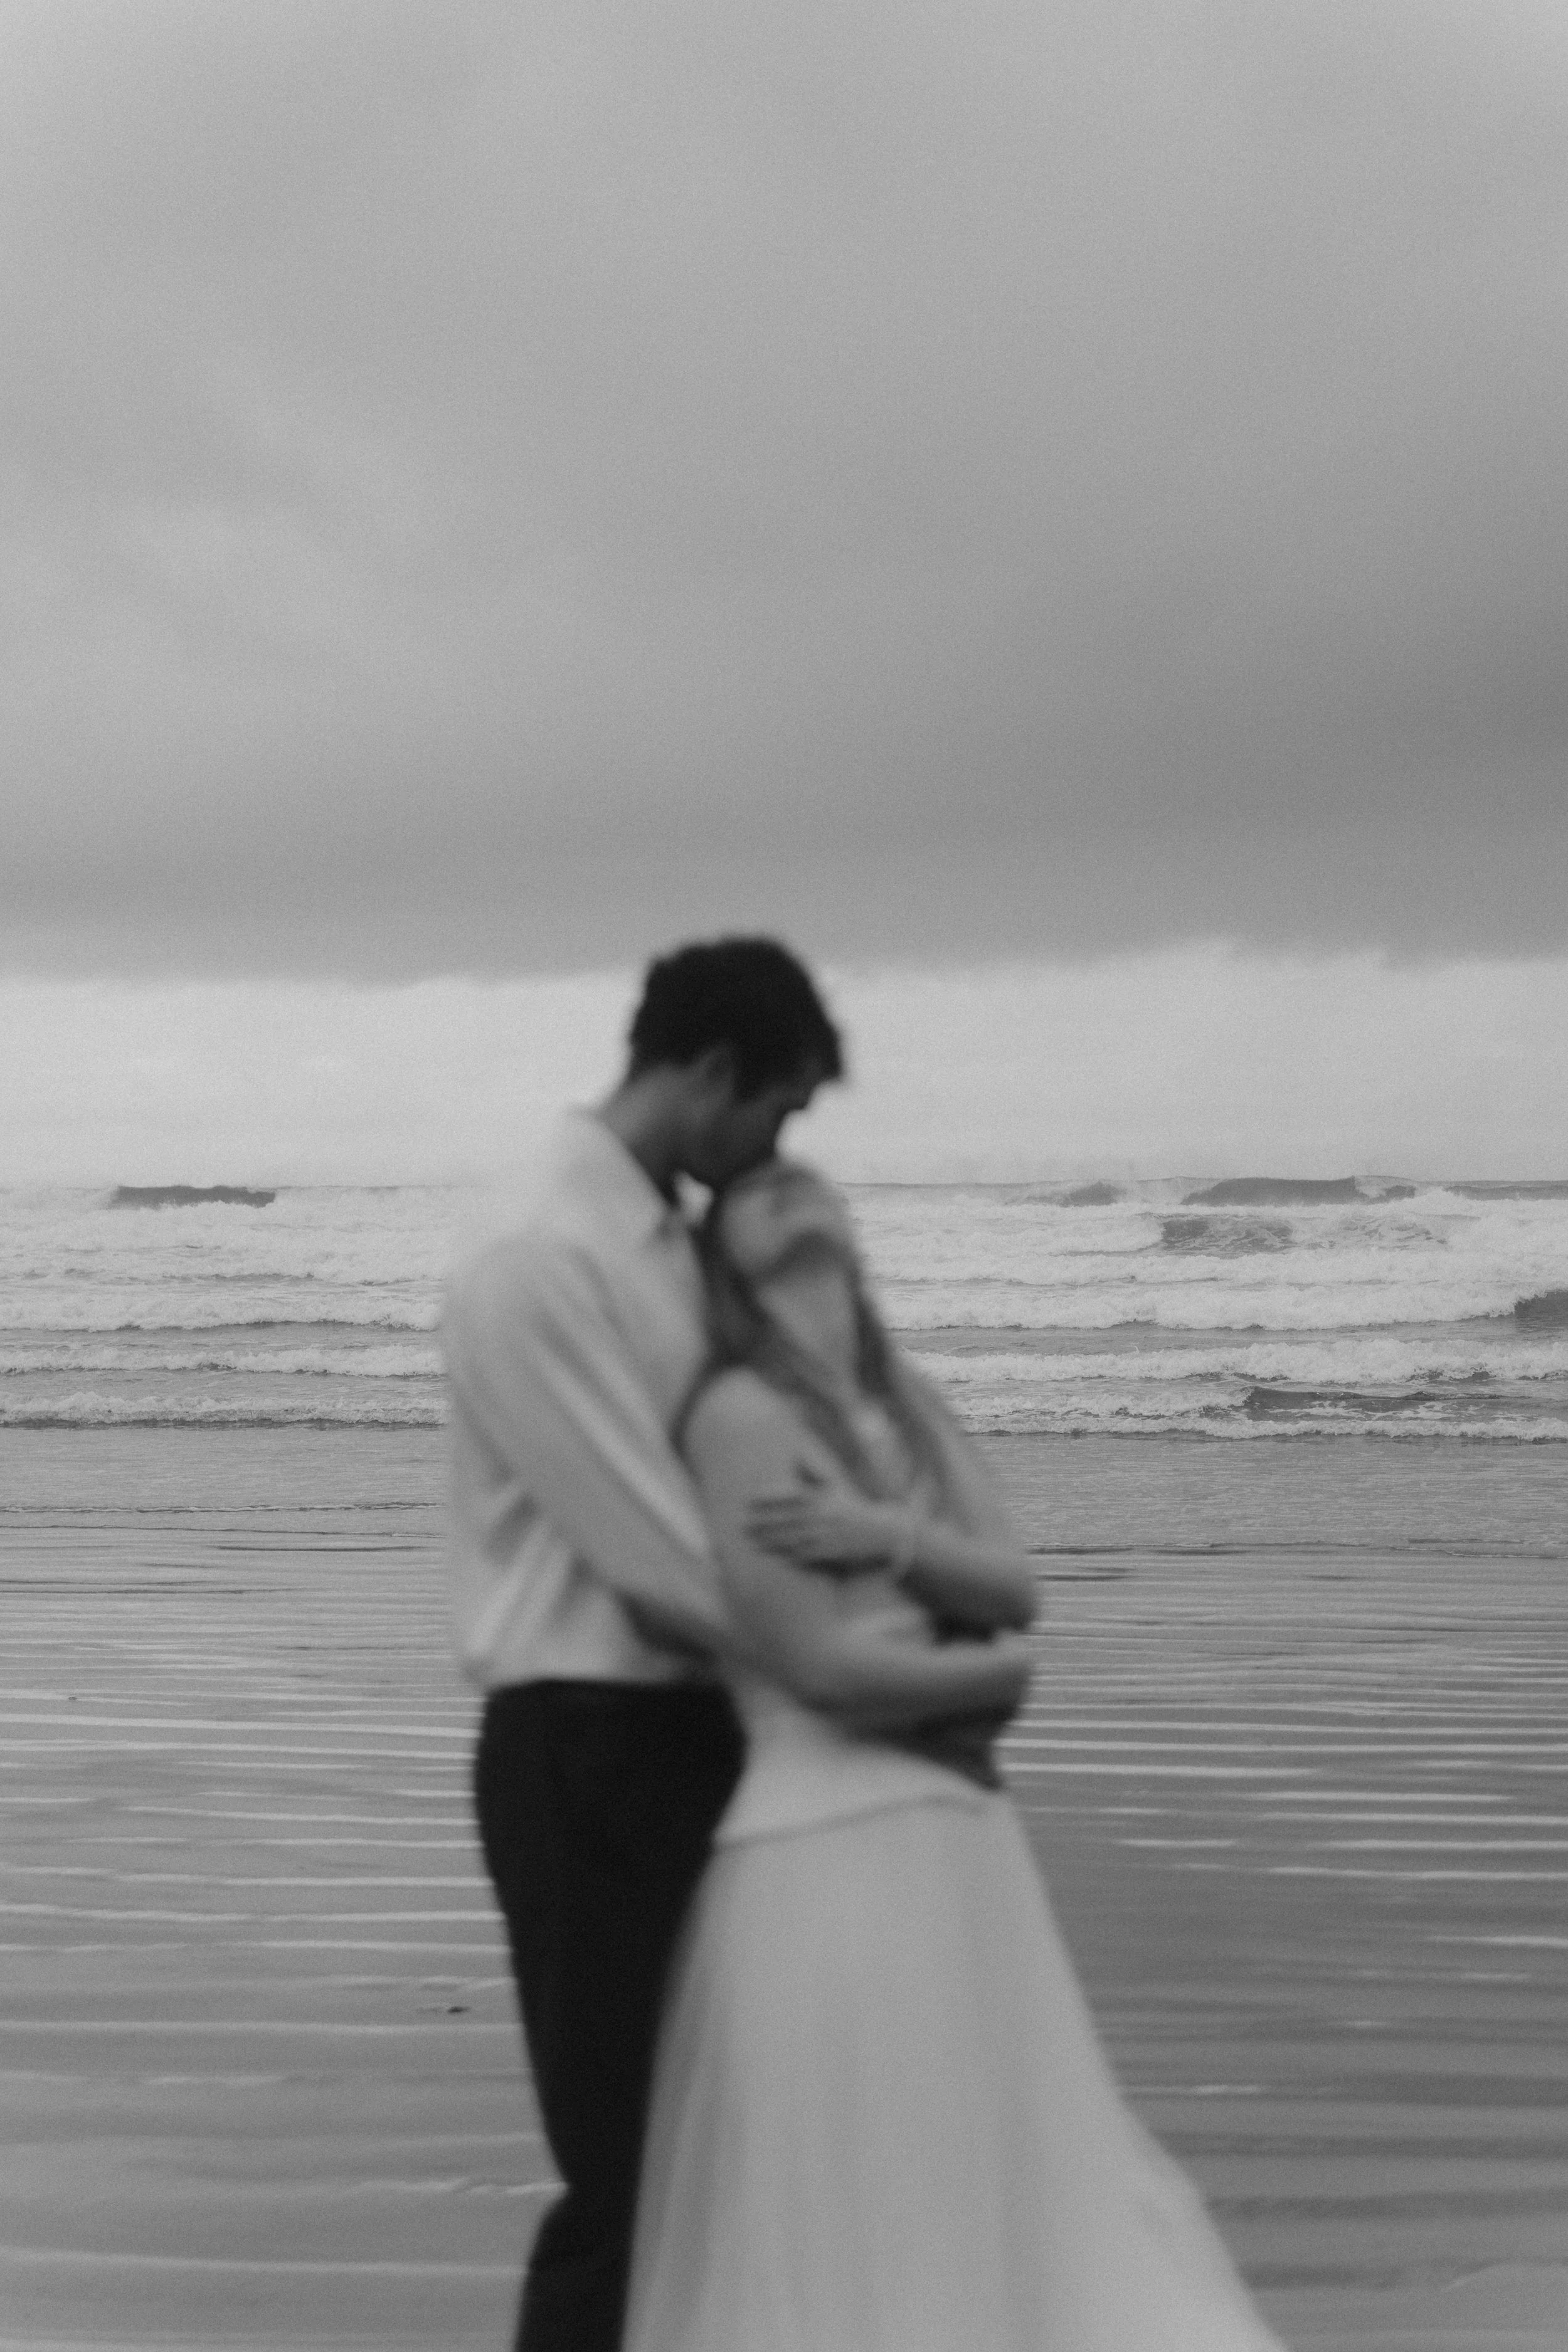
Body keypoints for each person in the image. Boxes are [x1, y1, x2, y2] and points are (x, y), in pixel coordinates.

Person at [623, 1157, 1291, 2352]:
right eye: (754, 1186)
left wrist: (884, 1531)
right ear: (724, 1261)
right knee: (871, 2206)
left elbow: (1014, 1581)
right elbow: (817, 1666)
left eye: (800, 1176)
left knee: (991, 2185)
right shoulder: (738, 1412)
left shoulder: (904, 1398)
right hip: (820, 1839)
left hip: (961, 1838)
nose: (780, 1183)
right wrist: (993, 1678)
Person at [442, 938, 844, 2352]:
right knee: (627, 2183)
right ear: (712, 1071)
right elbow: (654, 1559)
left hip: (683, 1738)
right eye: (779, 1111)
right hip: (585, 1747)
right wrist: (859, 1679)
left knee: (711, 2174)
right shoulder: (541, 1253)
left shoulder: (663, 1243)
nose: (777, 1147)